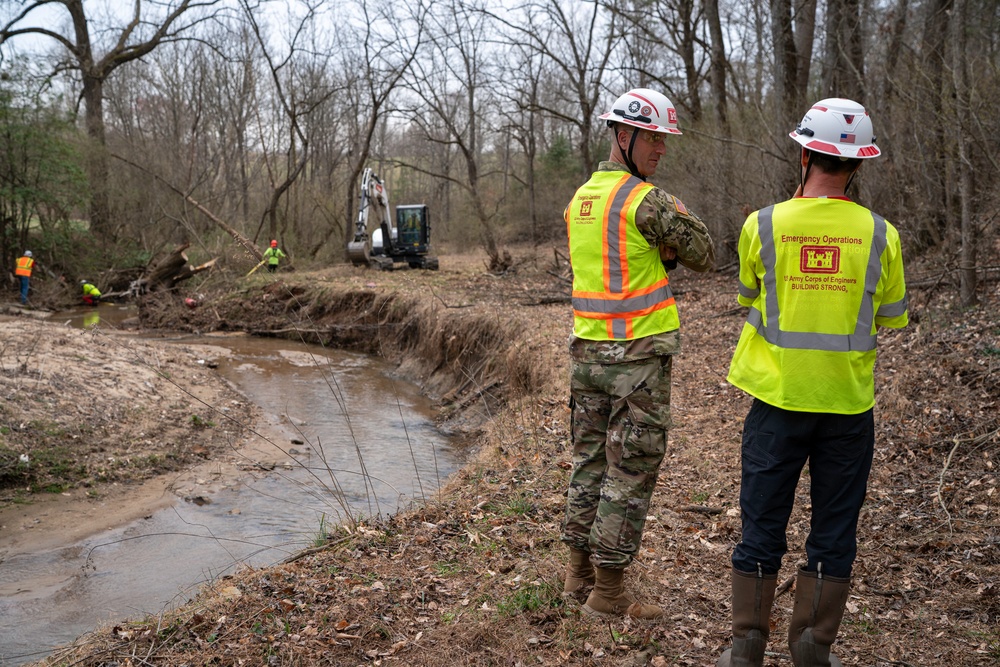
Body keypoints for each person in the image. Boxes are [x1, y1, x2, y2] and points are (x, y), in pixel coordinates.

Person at [717, 98, 908, 667]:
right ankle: (812, 647)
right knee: (833, 532)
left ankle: (746, 645)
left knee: (762, 524)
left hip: (776, 403)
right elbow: (890, 318)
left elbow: (748, 297)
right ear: (858, 165)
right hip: (848, 408)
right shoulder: (882, 235)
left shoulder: (764, 224)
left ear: (804, 153)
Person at [561, 88, 715, 620]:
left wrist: (658, 252)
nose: (661, 150)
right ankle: (607, 596)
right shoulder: (644, 200)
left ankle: (577, 578)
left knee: (588, 464)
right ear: (623, 137)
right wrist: (669, 245)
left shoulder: (580, 199)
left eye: (664, 140)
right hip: (636, 363)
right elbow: (704, 252)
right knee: (630, 469)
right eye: (653, 138)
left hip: (587, 356)